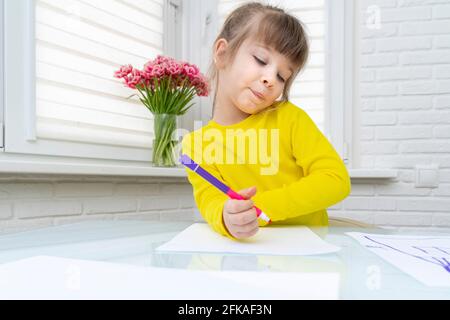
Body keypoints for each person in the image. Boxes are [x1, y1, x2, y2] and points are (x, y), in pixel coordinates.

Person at [181, 2, 351, 240]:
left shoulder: (289, 118)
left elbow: (335, 180)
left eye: (282, 76)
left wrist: (262, 206)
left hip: (310, 257)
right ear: (222, 53)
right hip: (249, 258)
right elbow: (210, 199)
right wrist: (225, 217)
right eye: (261, 60)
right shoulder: (195, 145)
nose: (271, 78)